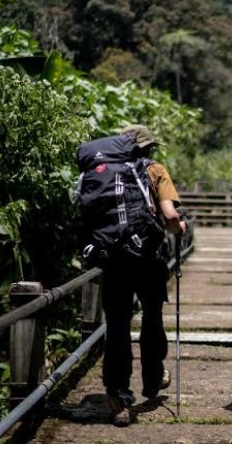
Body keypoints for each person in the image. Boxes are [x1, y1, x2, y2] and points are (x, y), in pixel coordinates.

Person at [99, 124, 183, 427]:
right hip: (148, 257)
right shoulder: (155, 170)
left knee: (117, 326)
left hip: (113, 258)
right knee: (152, 316)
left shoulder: (104, 172)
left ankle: (118, 397)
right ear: (147, 148)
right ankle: (152, 380)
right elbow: (171, 216)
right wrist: (179, 229)